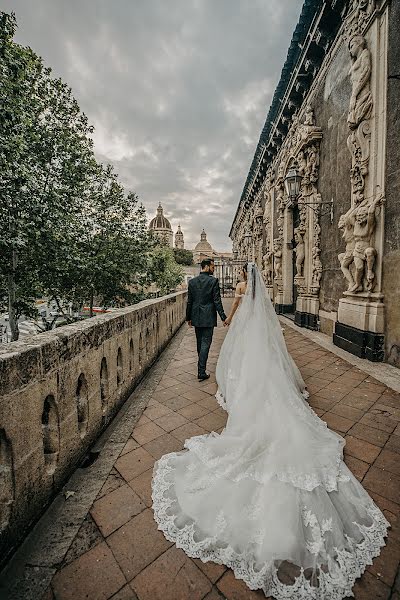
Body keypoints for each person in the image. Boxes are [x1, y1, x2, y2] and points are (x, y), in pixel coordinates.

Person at [152, 263, 388, 600]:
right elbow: (262, 328)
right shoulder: (260, 302)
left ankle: (219, 380)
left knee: (239, 372)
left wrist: (226, 320)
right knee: (265, 381)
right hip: (259, 345)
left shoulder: (233, 290)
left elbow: (228, 306)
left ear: (244, 277)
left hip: (234, 335)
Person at [186, 258, 228, 381]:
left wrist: (188, 317)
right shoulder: (213, 281)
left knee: (200, 343)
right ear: (205, 267)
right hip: (208, 316)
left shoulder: (192, 282)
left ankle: (201, 368)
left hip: (196, 316)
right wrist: (223, 316)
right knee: (206, 343)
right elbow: (217, 301)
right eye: (213, 267)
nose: (214, 269)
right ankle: (201, 371)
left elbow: (189, 302)